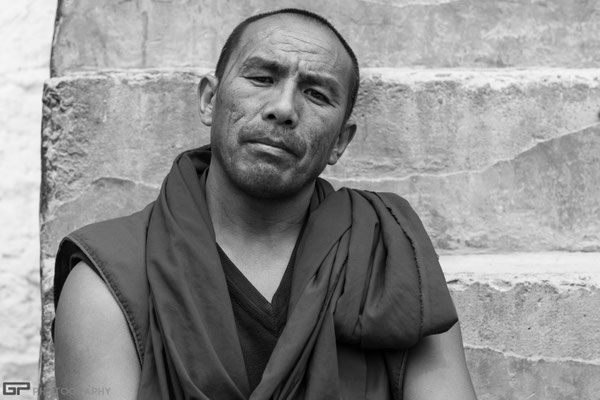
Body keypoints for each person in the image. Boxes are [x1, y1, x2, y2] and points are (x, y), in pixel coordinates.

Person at [53, 8, 478, 400]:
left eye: (316, 94)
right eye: (261, 79)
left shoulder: (386, 254)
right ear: (208, 101)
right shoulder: (112, 274)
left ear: (341, 143)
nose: (283, 108)